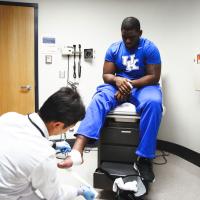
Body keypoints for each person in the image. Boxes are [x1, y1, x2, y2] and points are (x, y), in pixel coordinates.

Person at [58, 17, 163, 183]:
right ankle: (77, 150)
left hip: (142, 86)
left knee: (154, 103)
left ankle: (144, 159)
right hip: (118, 84)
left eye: (132, 37)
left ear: (140, 33)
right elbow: (106, 75)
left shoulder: (150, 48)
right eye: (124, 36)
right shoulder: (114, 49)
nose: (128, 40)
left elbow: (154, 77)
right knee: (99, 99)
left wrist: (128, 84)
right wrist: (117, 81)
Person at [0, 87, 95, 200]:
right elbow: (56, 196)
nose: (67, 131)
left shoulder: (9, 117)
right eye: (69, 128)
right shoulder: (44, 156)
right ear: (57, 125)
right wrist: (79, 191)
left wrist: (54, 145)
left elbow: (18, 144)